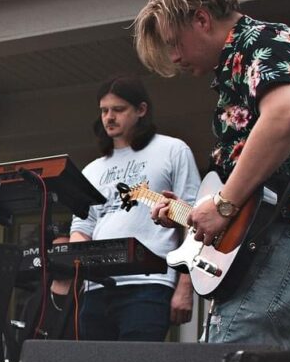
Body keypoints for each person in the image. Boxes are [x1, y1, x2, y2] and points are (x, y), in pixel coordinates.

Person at [134, 0, 290, 349]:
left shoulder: (261, 40)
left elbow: (287, 113)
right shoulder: (243, 61)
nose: (173, 58)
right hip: (284, 236)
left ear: (201, 19)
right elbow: (253, 187)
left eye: (174, 42)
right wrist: (195, 211)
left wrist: (221, 204)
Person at [69, 77, 200, 341]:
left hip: (151, 284)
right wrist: (74, 258)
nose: (109, 117)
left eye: (118, 110)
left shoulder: (172, 150)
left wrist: (185, 287)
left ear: (141, 110)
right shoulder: (92, 170)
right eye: (104, 111)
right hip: (97, 288)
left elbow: (194, 220)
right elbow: (82, 228)